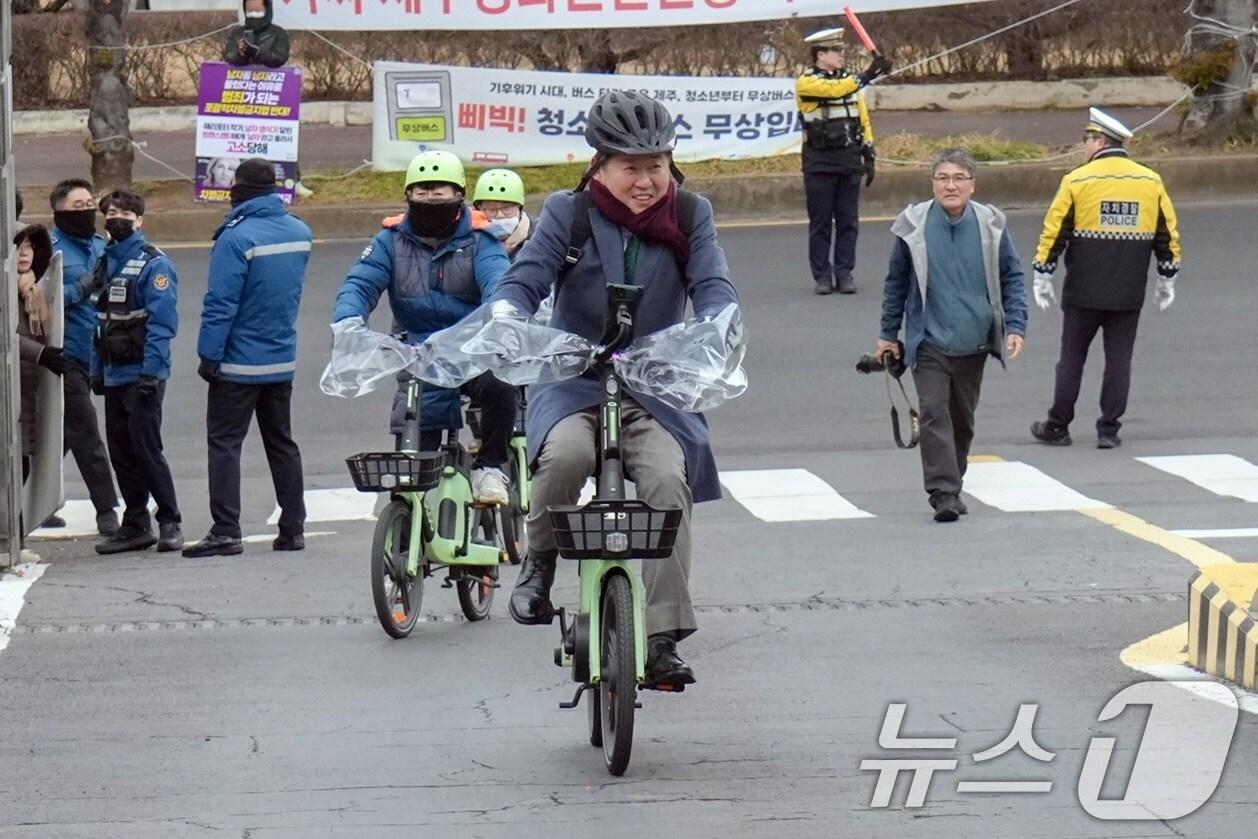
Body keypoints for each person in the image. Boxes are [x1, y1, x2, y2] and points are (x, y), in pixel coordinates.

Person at [493, 89, 739, 688]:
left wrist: (719, 323)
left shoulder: (690, 213)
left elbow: (713, 282)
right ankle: (541, 564)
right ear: (600, 166)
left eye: (656, 164)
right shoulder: (568, 211)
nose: (646, 180)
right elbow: (529, 276)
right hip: (575, 376)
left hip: (653, 384)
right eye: (632, 167)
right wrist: (506, 312)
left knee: (665, 480)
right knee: (563, 459)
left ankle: (659, 637)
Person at [332, 150, 517, 504]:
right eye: (422, 191)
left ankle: (490, 467)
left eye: (440, 192)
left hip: (471, 349)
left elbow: (499, 283)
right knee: (412, 460)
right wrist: (349, 321)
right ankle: (409, 525)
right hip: (416, 352)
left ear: (459, 195)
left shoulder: (482, 241)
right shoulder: (389, 241)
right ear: (408, 196)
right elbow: (360, 284)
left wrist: (500, 318)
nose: (431, 199)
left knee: (499, 386)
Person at [876, 149, 1027, 523]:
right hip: (928, 342)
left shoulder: (991, 224)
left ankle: (953, 481)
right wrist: (888, 334)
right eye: (942, 178)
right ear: (933, 184)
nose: (950, 185)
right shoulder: (913, 224)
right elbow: (896, 281)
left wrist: (1016, 326)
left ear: (972, 185)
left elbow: (1013, 277)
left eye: (959, 178)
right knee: (933, 413)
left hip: (974, 340)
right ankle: (942, 491)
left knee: (962, 419)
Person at [1029, 108, 1181, 449]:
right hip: (1128, 290)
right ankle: (1108, 429)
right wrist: (1166, 277)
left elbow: (1055, 231)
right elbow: (1166, 234)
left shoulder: (1077, 180)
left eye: (1086, 139)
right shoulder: (1149, 181)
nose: (1083, 146)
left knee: (1072, 358)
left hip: (1083, 289)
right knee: (1119, 359)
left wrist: (1043, 272)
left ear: (1099, 141)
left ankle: (1058, 424)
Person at [183, 160, 313, 558]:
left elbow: (221, 303)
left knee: (224, 444)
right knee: (281, 442)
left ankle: (226, 530)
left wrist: (209, 355)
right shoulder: (300, 232)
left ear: (237, 190)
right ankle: (292, 528)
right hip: (280, 359)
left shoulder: (235, 239)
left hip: (238, 364)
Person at [91, 190, 183, 555]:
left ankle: (170, 521)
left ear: (140, 220)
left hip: (142, 375)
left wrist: (150, 373)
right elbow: (100, 323)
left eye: (126, 212)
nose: (118, 217)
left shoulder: (154, 265)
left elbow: (162, 324)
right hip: (114, 374)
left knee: (147, 449)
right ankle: (135, 523)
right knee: (121, 451)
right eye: (112, 212)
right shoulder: (107, 261)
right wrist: (97, 370)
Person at [796, 26, 892, 296]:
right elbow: (836, 90)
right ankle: (822, 276)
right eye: (836, 51)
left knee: (849, 221)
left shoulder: (851, 80)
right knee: (821, 222)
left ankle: (844, 272)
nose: (841, 55)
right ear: (820, 55)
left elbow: (861, 117)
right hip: (819, 162)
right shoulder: (807, 82)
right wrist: (871, 72)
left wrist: (869, 149)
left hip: (849, 159)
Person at [49, 178, 120, 536]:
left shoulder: (100, 244)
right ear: (59, 210)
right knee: (85, 430)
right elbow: (42, 300)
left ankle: (32, 499)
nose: (87, 211)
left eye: (89, 204)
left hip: (100, 351)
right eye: (78, 206)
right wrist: (82, 287)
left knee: (61, 433)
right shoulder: (48, 249)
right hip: (65, 353)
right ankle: (106, 509)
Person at [13, 225, 71, 487]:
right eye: (17, 247)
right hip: (10, 392)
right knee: (14, 468)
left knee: (24, 465)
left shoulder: (34, 291)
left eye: (30, 247)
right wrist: (41, 354)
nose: (24, 253)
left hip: (29, 391)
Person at [472, 169, 532, 258]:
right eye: (491, 209)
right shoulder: (468, 239)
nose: (500, 215)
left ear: (519, 206)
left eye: (506, 208)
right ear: (479, 209)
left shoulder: (539, 237)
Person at [222, 0, 289, 68]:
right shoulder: (237, 33)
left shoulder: (278, 33)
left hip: (269, 76)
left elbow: (280, 58)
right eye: (250, 11)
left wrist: (257, 53)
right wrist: (241, 55)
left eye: (257, 11)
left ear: (267, 10)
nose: (253, 14)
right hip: (240, 76)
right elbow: (229, 55)